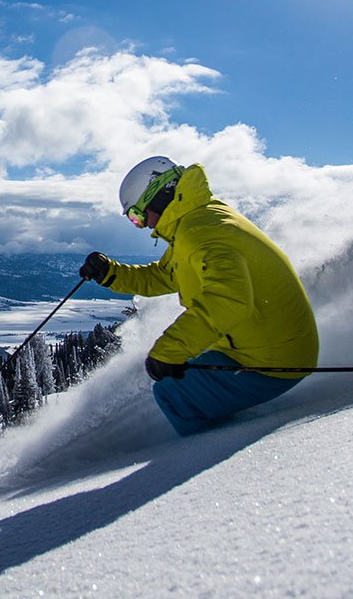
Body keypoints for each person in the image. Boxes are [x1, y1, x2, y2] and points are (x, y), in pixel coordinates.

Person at [79, 156, 319, 436]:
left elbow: (228, 299)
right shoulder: (199, 219)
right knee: (182, 375)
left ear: (158, 198)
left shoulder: (202, 233)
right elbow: (165, 275)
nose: (142, 226)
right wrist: (111, 273)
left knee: (174, 395)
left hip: (272, 360)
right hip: (264, 345)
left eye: (137, 215)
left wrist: (171, 350)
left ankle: (217, 460)